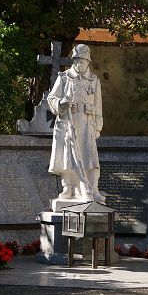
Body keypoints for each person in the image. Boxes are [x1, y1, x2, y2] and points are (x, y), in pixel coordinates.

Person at [47, 44, 105, 202]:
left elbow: (98, 105)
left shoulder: (94, 80)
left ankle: (93, 189)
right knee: (68, 156)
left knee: (90, 157)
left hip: (88, 125)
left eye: (83, 61)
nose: (80, 64)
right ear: (73, 61)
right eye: (77, 61)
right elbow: (51, 98)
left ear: (88, 62)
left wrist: (98, 126)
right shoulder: (64, 78)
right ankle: (69, 188)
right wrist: (62, 103)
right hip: (68, 125)